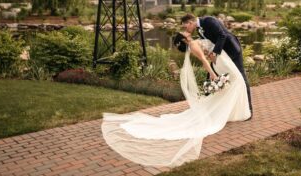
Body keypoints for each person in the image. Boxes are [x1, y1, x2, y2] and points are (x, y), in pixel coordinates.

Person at [101, 21, 251, 167]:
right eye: (184, 33)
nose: (186, 30)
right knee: (237, 81)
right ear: (186, 39)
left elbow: (211, 45)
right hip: (218, 61)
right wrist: (212, 74)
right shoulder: (193, 45)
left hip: (220, 58)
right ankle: (235, 111)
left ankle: (232, 110)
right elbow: (205, 61)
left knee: (235, 83)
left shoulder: (196, 38)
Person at [181, 13, 253, 117]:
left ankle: (249, 110)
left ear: (190, 22)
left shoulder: (209, 20)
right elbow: (211, 42)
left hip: (232, 50)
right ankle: (210, 108)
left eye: (185, 26)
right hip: (221, 56)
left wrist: (214, 53)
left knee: (241, 77)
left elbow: (222, 35)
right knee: (210, 79)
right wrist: (210, 52)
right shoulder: (199, 30)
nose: (186, 29)